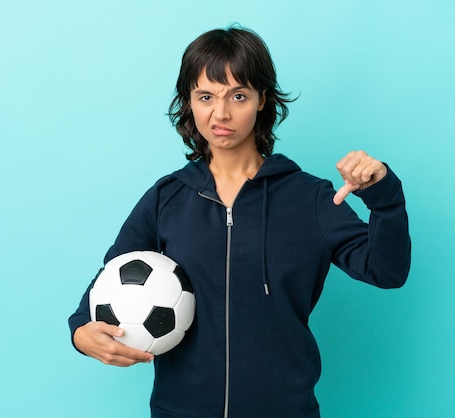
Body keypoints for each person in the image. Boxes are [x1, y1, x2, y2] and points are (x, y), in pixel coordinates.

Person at [68, 26, 411, 418]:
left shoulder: (310, 198)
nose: (221, 113)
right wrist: (81, 330)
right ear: (189, 103)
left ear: (263, 100)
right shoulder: (168, 198)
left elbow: (386, 271)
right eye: (206, 97)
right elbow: (113, 273)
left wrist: (384, 198)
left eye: (238, 95)